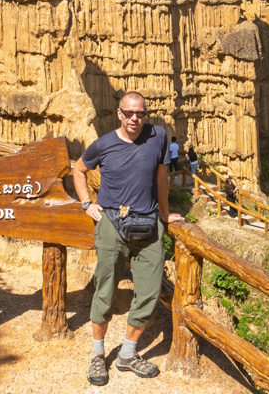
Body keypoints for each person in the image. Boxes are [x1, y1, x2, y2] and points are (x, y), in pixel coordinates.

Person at [72, 92, 184, 387]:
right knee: (106, 290)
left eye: (141, 113)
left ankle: (127, 354)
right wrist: (87, 204)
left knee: (148, 291)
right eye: (130, 113)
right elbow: (79, 169)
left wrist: (165, 213)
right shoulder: (104, 144)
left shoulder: (158, 136)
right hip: (112, 223)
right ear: (119, 114)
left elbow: (162, 177)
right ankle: (98, 354)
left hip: (149, 225)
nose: (135, 118)